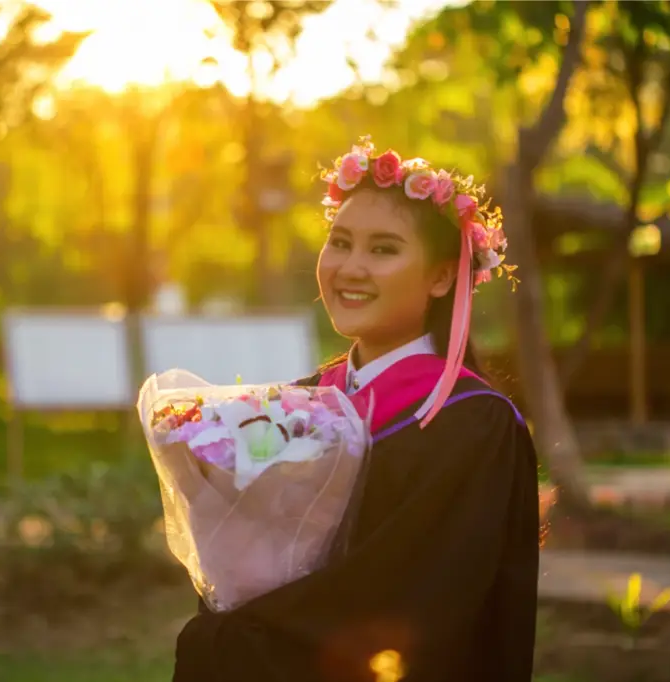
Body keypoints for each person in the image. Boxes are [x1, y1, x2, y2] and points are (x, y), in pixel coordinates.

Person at [172, 137, 540, 682]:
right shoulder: (304, 401)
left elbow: (420, 600)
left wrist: (247, 639)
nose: (350, 267)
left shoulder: (470, 423)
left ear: (442, 276)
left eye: (384, 249)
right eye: (340, 242)